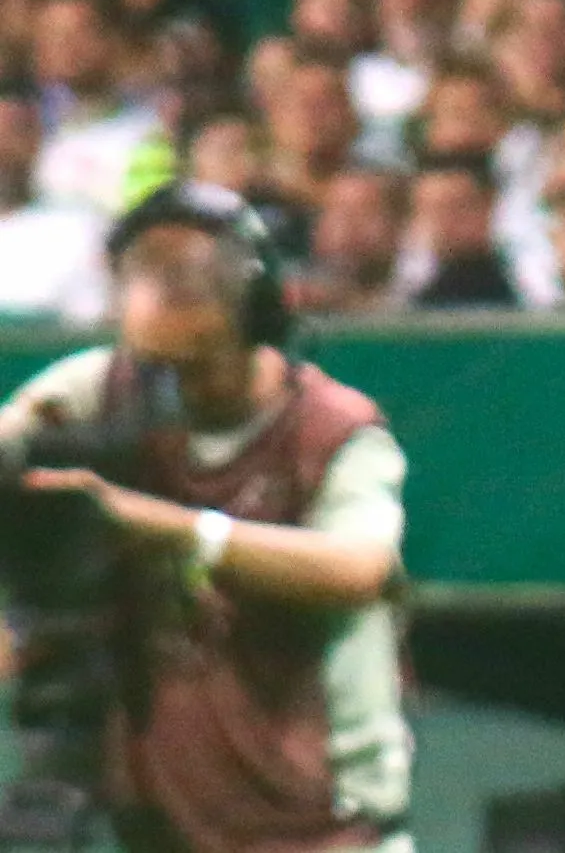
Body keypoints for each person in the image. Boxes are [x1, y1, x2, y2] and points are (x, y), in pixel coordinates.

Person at [0, 181, 413, 853]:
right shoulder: (104, 388)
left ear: (253, 318)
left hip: (324, 823)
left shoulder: (331, 429)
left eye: (195, 368)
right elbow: (15, 436)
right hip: (170, 821)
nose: (173, 392)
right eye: (157, 369)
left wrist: (167, 526)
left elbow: (359, 568)